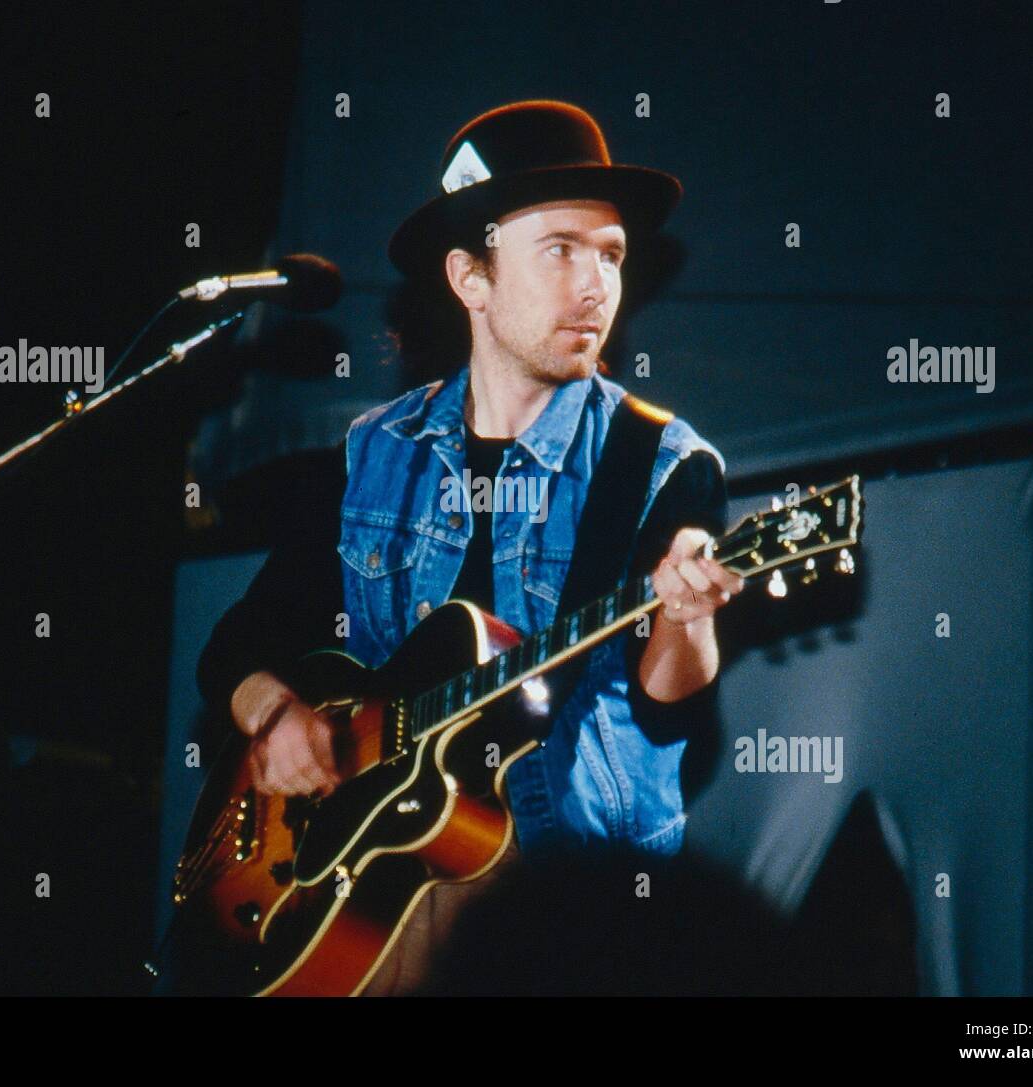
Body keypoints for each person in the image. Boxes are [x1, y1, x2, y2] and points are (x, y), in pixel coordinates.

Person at [195, 100, 744, 995]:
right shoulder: (375, 451)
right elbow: (241, 642)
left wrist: (690, 619)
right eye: (560, 249)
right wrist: (274, 716)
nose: (596, 284)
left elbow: (666, 706)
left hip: (574, 888)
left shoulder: (660, 463)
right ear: (471, 278)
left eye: (609, 254)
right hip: (380, 869)